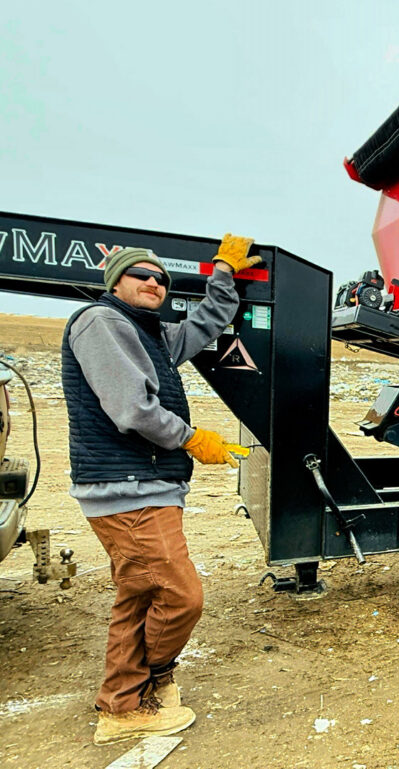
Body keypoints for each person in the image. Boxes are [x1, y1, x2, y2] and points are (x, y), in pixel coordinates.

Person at [61, 234, 261, 745]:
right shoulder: (102, 322)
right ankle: (131, 701)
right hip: (129, 488)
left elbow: (203, 325)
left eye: (161, 279)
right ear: (115, 283)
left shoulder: (148, 333)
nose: (154, 282)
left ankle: (128, 694)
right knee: (180, 595)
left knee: (140, 594)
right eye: (141, 275)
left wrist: (222, 275)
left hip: (142, 485)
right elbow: (131, 408)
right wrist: (192, 438)